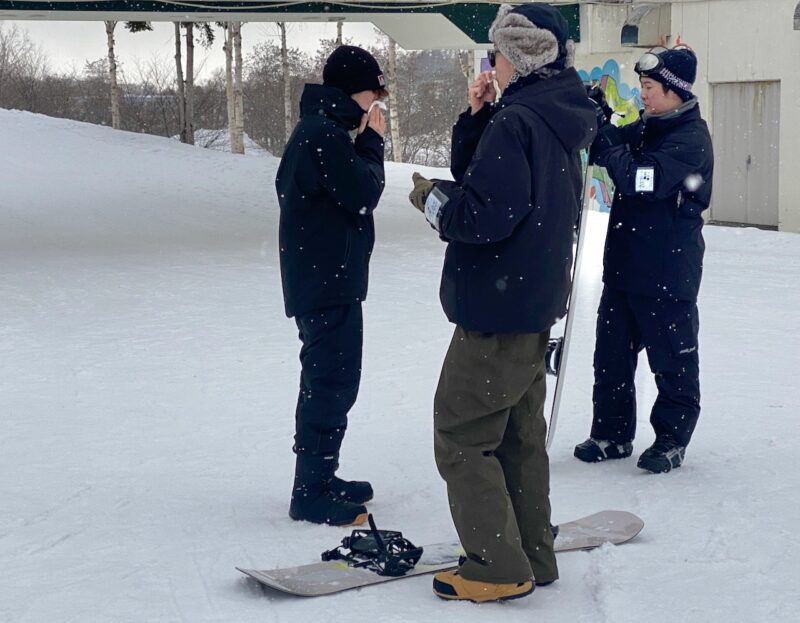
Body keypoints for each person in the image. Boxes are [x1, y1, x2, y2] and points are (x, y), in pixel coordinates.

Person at [407, 4, 597, 602]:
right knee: (517, 435)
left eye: (495, 54)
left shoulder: (519, 122)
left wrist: (432, 200)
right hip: (532, 302)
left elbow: (486, 213)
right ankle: (532, 555)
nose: (490, 63)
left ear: (514, 57)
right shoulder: (549, 114)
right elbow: (497, 181)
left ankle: (495, 565)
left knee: (461, 433)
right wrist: (476, 116)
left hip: (497, 309)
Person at [574, 44, 714, 473]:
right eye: (642, 86)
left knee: (672, 358)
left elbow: (640, 180)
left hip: (668, 270)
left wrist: (616, 151)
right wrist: (597, 119)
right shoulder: (647, 126)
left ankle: (672, 438)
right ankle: (612, 434)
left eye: (650, 87)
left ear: (674, 91)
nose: (644, 95)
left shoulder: (690, 140)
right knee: (611, 356)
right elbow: (605, 150)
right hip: (625, 265)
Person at [276, 45, 387, 526]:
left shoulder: (325, 130)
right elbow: (363, 194)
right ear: (350, 90)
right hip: (325, 283)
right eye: (372, 93)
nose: (376, 104)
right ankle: (311, 490)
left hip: (327, 279)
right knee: (329, 381)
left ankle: (322, 475)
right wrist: (372, 144)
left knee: (334, 379)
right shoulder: (323, 135)